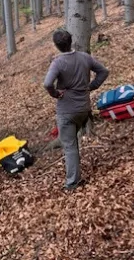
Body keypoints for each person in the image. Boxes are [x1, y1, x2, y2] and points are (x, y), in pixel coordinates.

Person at [43, 28, 109, 190]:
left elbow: (47, 84)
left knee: (70, 146)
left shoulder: (58, 62)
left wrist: (56, 94)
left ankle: (72, 183)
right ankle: (75, 174)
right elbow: (103, 71)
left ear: (56, 45)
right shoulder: (84, 57)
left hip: (66, 111)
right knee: (73, 143)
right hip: (83, 110)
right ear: (71, 42)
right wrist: (91, 86)